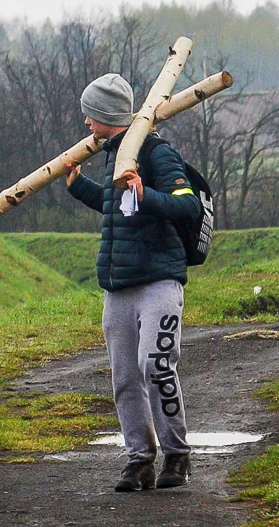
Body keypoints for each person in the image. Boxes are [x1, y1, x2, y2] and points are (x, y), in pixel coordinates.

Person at [64, 73, 202, 492]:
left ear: (107, 115)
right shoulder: (114, 155)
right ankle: (139, 459)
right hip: (119, 285)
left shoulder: (157, 152)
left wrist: (146, 192)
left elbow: (187, 207)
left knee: (155, 366)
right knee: (124, 376)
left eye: (92, 115)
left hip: (159, 281)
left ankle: (176, 455)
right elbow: (117, 208)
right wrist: (79, 187)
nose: (87, 123)